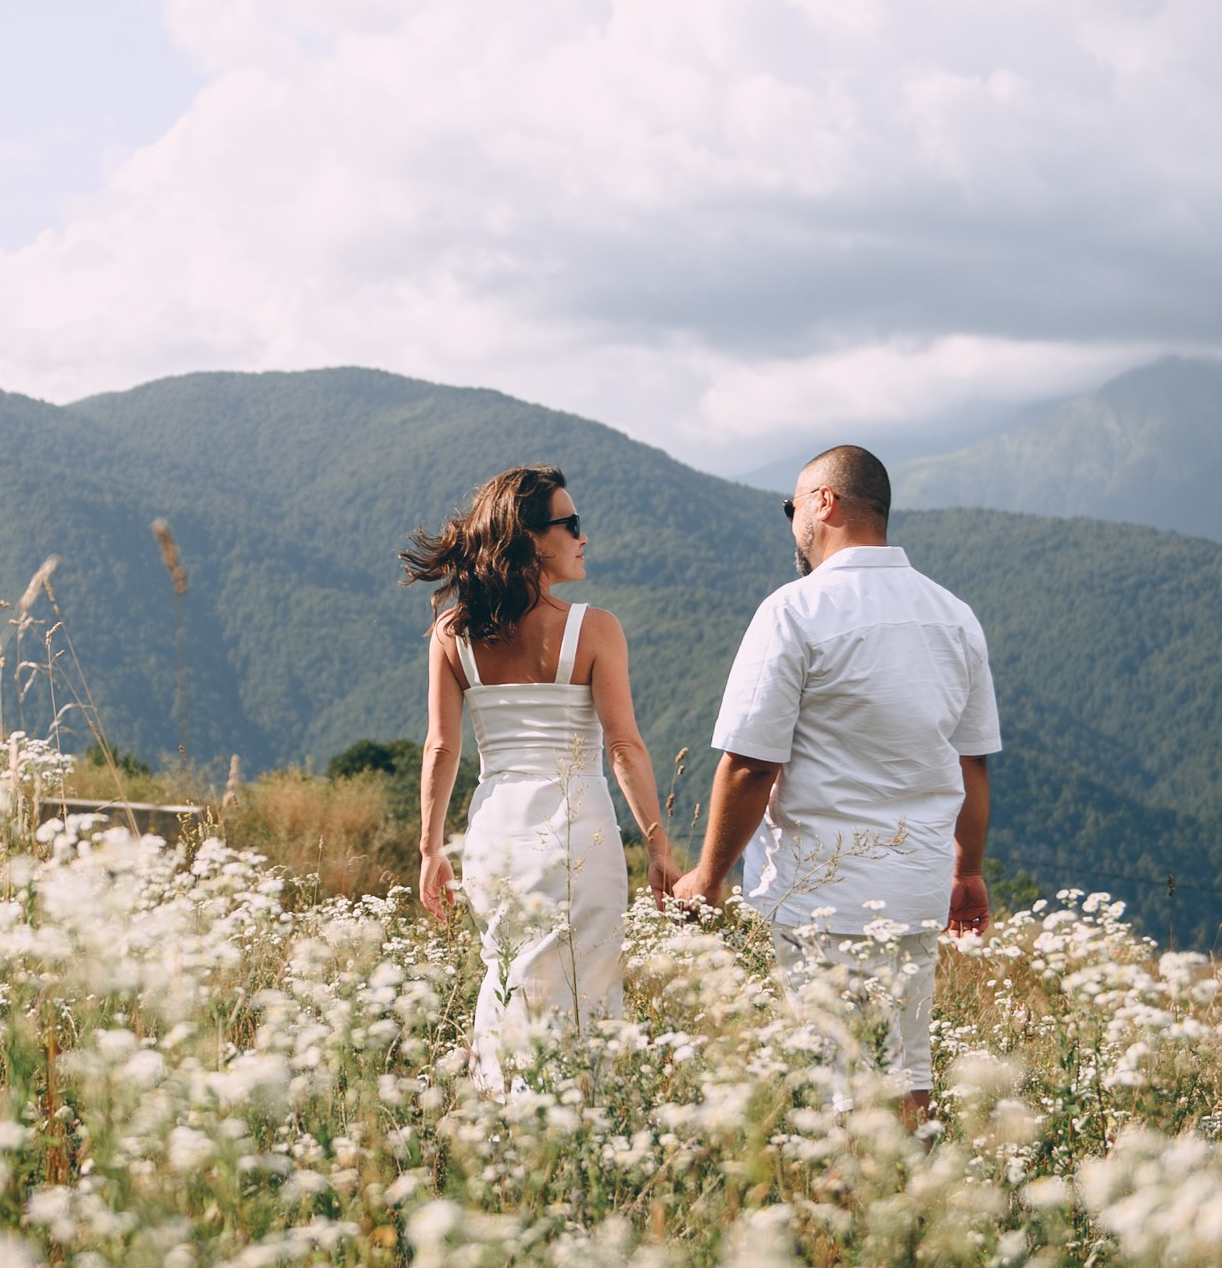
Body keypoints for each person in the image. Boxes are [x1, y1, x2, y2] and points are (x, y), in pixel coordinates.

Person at [672, 443, 1000, 1109]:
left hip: (822, 890)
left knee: (831, 1084)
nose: (793, 521)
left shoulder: (794, 611)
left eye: (793, 507)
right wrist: (966, 871)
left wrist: (706, 878)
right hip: (916, 884)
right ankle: (903, 1204)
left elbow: (750, 765)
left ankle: (843, 1209)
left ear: (824, 503)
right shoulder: (953, 615)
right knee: (905, 1072)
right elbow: (970, 764)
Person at [403, 464, 672, 1075]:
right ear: (529, 538)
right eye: (570, 523)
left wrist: (429, 849)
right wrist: (658, 845)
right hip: (578, 826)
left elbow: (441, 748)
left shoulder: (452, 633)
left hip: (494, 829)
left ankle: (501, 1114)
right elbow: (623, 746)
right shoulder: (595, 629)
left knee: (507, 972)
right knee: (586, 983)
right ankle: (576, 1126)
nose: (583, 536)